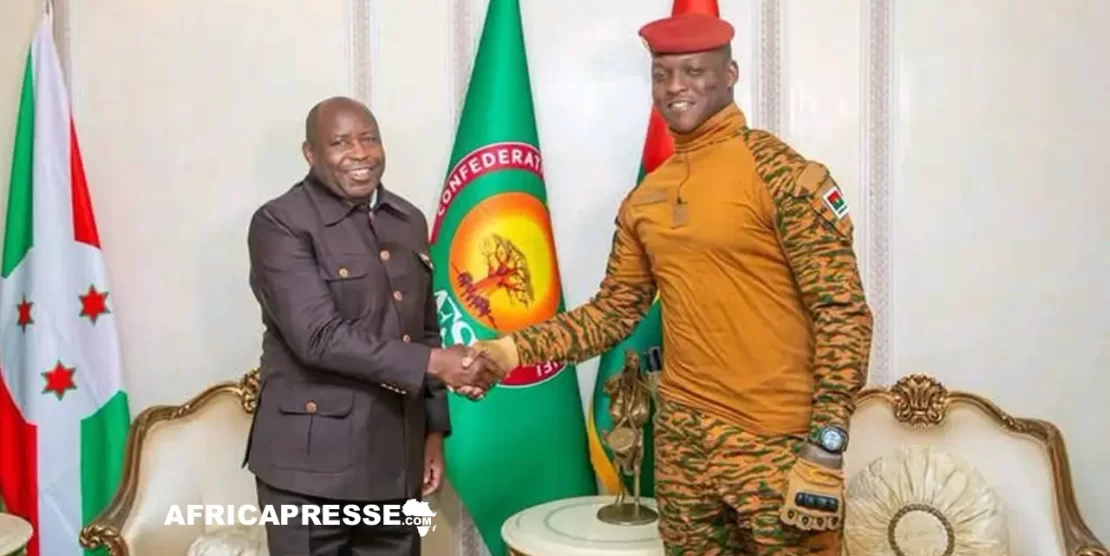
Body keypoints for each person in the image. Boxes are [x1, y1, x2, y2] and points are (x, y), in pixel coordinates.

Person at [466, 13, 873, 556]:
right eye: (662, 75)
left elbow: (842, 312)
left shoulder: (780, 174)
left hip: (775, 444)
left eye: (693, 71)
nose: (676, 86)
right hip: (682, 449)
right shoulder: (645, 199)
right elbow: (613, 312)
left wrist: (826, 443)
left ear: (729, 74)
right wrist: (510, 350)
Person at [243, 96, 500, 555]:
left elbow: (425, 330)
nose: (360, 153)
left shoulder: (407, 220)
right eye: (340, 143)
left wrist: (433, 433)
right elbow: (318, 338)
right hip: (309, 472)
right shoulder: (280, 223)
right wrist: (437, 363)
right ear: (310, 153)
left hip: (395, 463)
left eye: (369, 139)